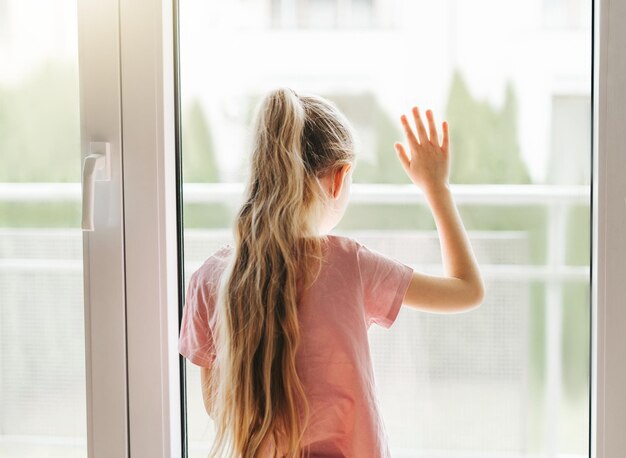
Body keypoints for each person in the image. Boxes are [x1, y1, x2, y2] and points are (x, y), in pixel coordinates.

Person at [178, 88, 484, 458]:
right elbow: (466, 289)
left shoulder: (210, 279)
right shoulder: (349, 265)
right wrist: (437, 188)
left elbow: (216, 404)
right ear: (339, 179)